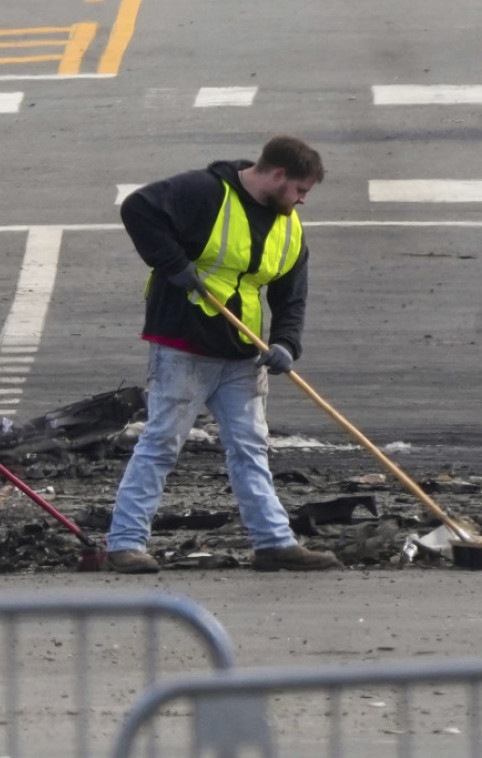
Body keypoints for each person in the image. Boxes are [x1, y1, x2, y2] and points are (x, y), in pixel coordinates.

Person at [105, 135, 343, 574]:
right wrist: (174, 265)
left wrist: (286, 344)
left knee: (250, 448)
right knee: (161, 444)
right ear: (278, 175)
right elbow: (138, 208)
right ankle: (125, 544)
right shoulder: (205, 192)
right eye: (300, 190)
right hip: (183, 345)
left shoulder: (288, 227)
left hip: (243, 355)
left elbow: (292, 296)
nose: (302, 200)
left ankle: (273, 543)